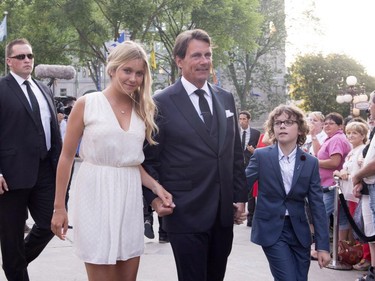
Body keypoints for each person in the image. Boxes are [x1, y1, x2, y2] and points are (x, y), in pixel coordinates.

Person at [50, 41, 174, 281]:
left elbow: (130, 161)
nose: (133, 78)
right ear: (112, 69)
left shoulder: (143, 109)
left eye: (139, 73)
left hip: (129, 198)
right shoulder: (88, 104)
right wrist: (59, 207)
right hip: (94, 194)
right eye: (127, 70)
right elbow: (65, 157)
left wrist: (157, 187)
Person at [142, 29, 247, 281]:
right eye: (196, 55)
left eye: (208, 55)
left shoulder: (225, 98)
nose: (204, 61)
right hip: (184, 212)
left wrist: (239, 196)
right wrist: (154, 200)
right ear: (179, 61)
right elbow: (148, 160)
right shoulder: (161, 102)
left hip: (223, 214)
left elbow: (233, 153)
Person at [0, 38, 62, 280]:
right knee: (11, 234)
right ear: (9, 61)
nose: (27, 60)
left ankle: (15, 264)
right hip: (11, 176)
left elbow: (53, 133)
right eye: (21, 57)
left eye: (30, 56)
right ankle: (16, 270)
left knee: (51, 225)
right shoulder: (2, 89)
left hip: (45, 171)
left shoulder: (43, 89)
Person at [245, 105, 331, 280]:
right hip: (271, 229)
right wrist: (234, 204)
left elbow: (317, 205)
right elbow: (241, 185)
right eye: (278, 123)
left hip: (299, 232)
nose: (282, 126)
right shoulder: (262, 156)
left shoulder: (310, 162)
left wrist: (323, 246)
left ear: (300, 129)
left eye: (288, 122)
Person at [352, 91, 375, 280]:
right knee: (371, 233)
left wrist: (357, 176)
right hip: (369, 187)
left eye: (371, 104)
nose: (369, 109)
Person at [238, 110, 260, 227]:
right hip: (237, 165)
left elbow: (259, 148)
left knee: (251, 192)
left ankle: (250, 217)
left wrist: (253, 150)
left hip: (250, 164)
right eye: (240, 119)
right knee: (238, 188)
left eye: (244, 119)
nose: (242, 121)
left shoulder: (256, 133)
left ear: (248, 120)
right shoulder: (235, 132)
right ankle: (238, 213)